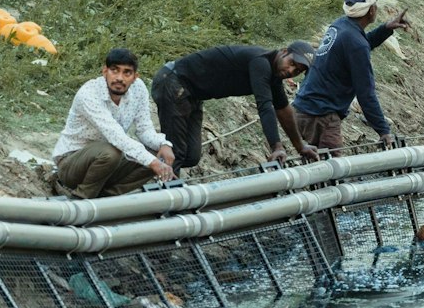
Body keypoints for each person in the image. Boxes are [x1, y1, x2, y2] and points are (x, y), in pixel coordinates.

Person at [152, 40, 318, 170]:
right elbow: (264, 106)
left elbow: (283, 110)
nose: (291, 70)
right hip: (174, 81)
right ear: (283, 52)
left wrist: (300, 146)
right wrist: (276, 146)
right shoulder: (261, 62)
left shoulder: (275, 76)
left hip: (193, 94)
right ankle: (167, 208)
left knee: (191, 156)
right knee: (178, 153)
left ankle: (147, 160)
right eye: (292, 63)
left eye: (297, 71)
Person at [292, 0, 410, 153]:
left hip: (303, 108)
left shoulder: (339, 26)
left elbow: (357, 46)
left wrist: (385, 29)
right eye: (375, 5)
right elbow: (365, 94)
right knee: (331, 173)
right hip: (322, 116)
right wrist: (383, 131)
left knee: (313, 167)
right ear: (371, 11)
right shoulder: (355, 43)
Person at [52, 48, 174, 199]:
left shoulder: (139, 89)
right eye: (114, 71)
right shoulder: (89, 94)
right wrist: (153, 162)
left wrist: (164, 144)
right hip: (72, 163)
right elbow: (115, 136)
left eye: (127, 72)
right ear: (105, 72)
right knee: (112, 152)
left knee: (157, 155)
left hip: (109, 163)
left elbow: (144, 129)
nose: (119, 78)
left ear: (135, 76)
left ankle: (106, 197)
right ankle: (80, 198)